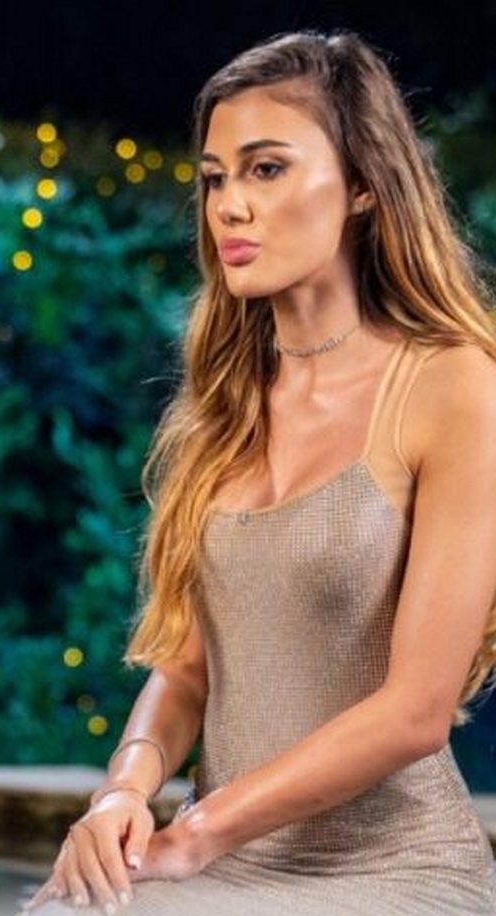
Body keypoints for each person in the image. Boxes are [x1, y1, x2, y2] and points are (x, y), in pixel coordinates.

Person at [27, 30, 496, 916]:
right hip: (217, 863)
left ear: (363, 184)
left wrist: (196, 834)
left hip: (395, 871)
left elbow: (416, 711)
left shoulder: (453, 385)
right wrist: (123, 793)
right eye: (214, 179)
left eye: (266, 169)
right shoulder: (222, 407)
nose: (230, 205)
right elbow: (186, 672)